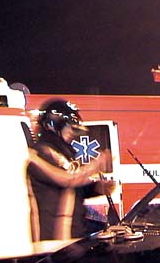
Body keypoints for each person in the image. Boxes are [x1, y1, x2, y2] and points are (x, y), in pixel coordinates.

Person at [27, 99, 114, 241]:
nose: (73, 134)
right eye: (70, 128)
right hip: (54, 238)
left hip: (72, 233)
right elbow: (68, 180)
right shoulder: (42, 152)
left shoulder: (64, 153)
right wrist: (95, 165)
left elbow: (72, 190)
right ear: (53, 125)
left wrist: (97, 188)